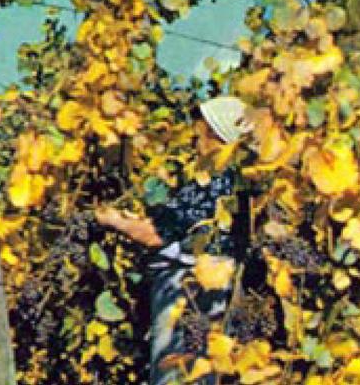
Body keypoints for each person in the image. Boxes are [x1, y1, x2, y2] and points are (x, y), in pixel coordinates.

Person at [96, 95, 252, 385]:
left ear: (215, 133)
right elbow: (173, 225)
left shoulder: (212, 182)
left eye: (200, 128)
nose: (193, 135)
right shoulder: (234, 182)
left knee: (174, 371)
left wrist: (111, 219)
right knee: (204, 370)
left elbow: (154, 234)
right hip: (213, 284)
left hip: (185, 286)